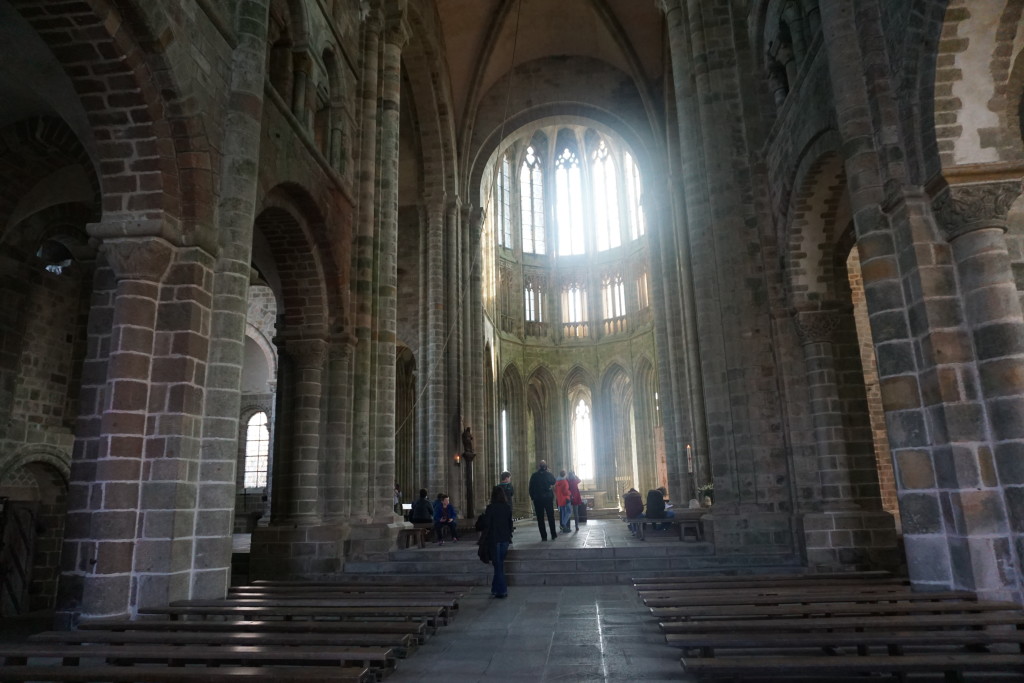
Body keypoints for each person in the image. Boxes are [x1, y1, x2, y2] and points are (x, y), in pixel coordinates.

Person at [477, 484, 514, 599]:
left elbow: (486, 524)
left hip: (495, 540)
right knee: (499, 564)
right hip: (505, 540)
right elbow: (510, 524)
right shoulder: (507, 507)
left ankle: (502, 591)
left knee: (498, 566)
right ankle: (495, 589)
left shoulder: (491, 508)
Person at [528, 460, 557, 540]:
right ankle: (553, 534)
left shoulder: (534, 475)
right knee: (551, 517)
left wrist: (533, 497)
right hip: (548, 498)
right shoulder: (549, 474)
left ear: (539, 467)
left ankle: (544, 537)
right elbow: (554, 481)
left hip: (538, 499)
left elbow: (530, 488)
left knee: (540, 519)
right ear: (546, 467)